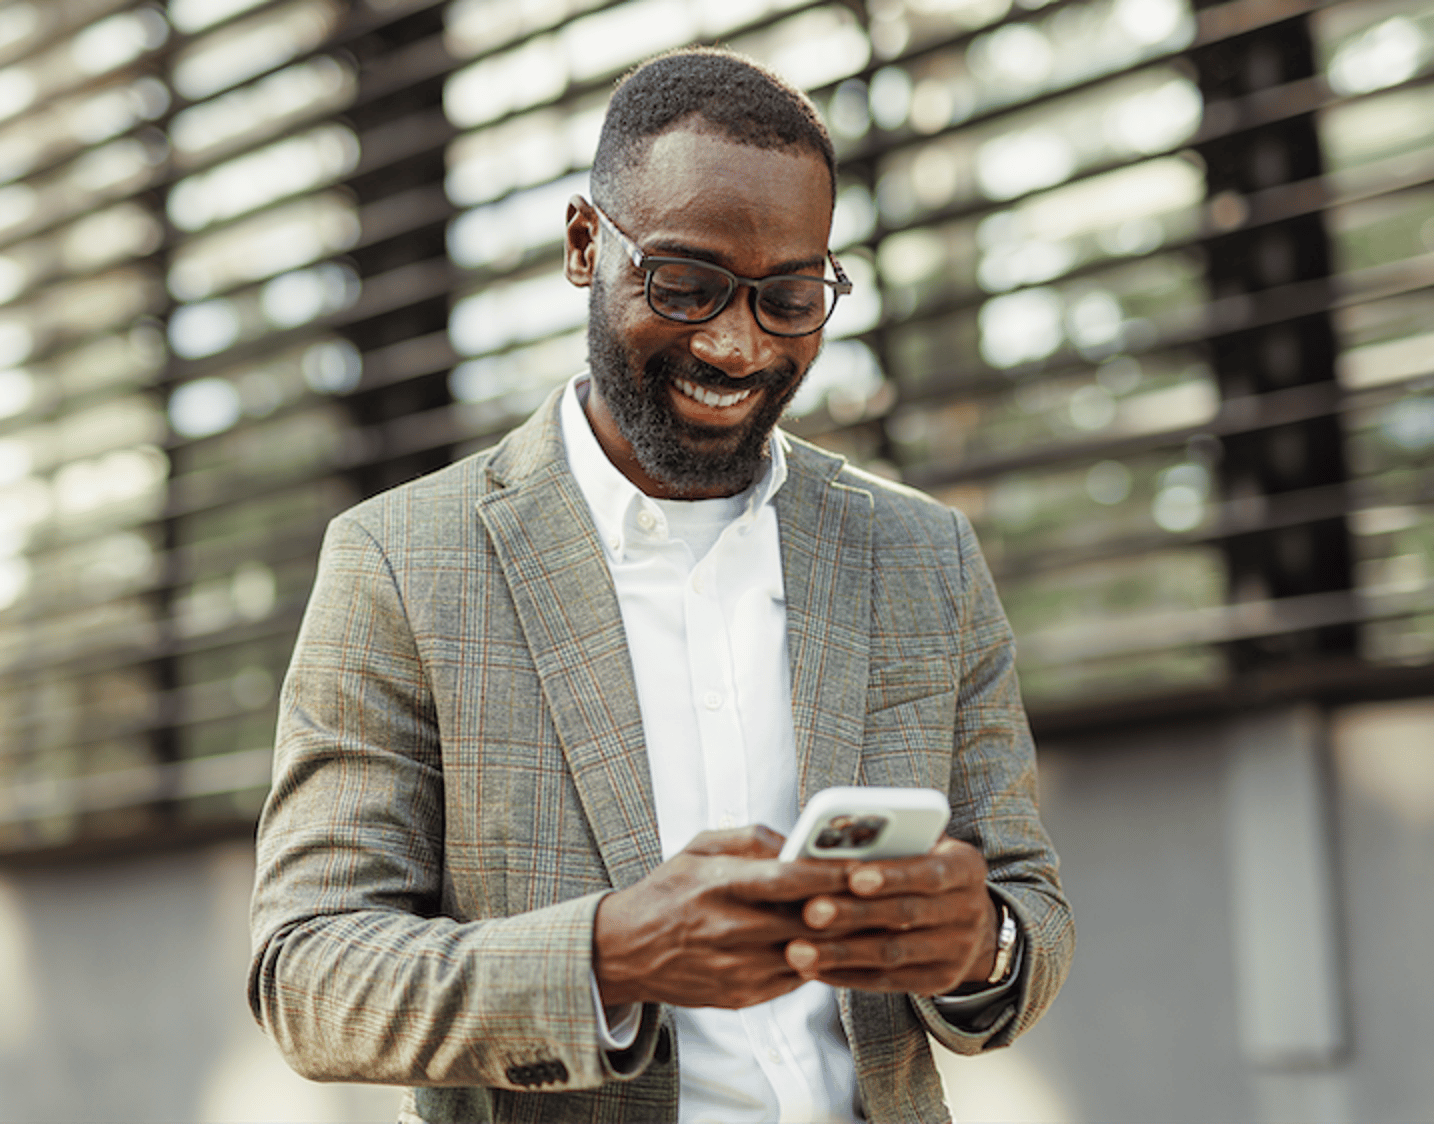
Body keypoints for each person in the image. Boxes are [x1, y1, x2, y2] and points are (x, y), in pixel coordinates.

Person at [249, 47, 1073, 1124]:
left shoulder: (922, 555)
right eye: (685, 285)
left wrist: (981, 944)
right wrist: (610, 955)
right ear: (585, 244)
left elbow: (1029, 907)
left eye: (790, 298)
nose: (737, 345)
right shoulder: (403, 560)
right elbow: (308, 972)